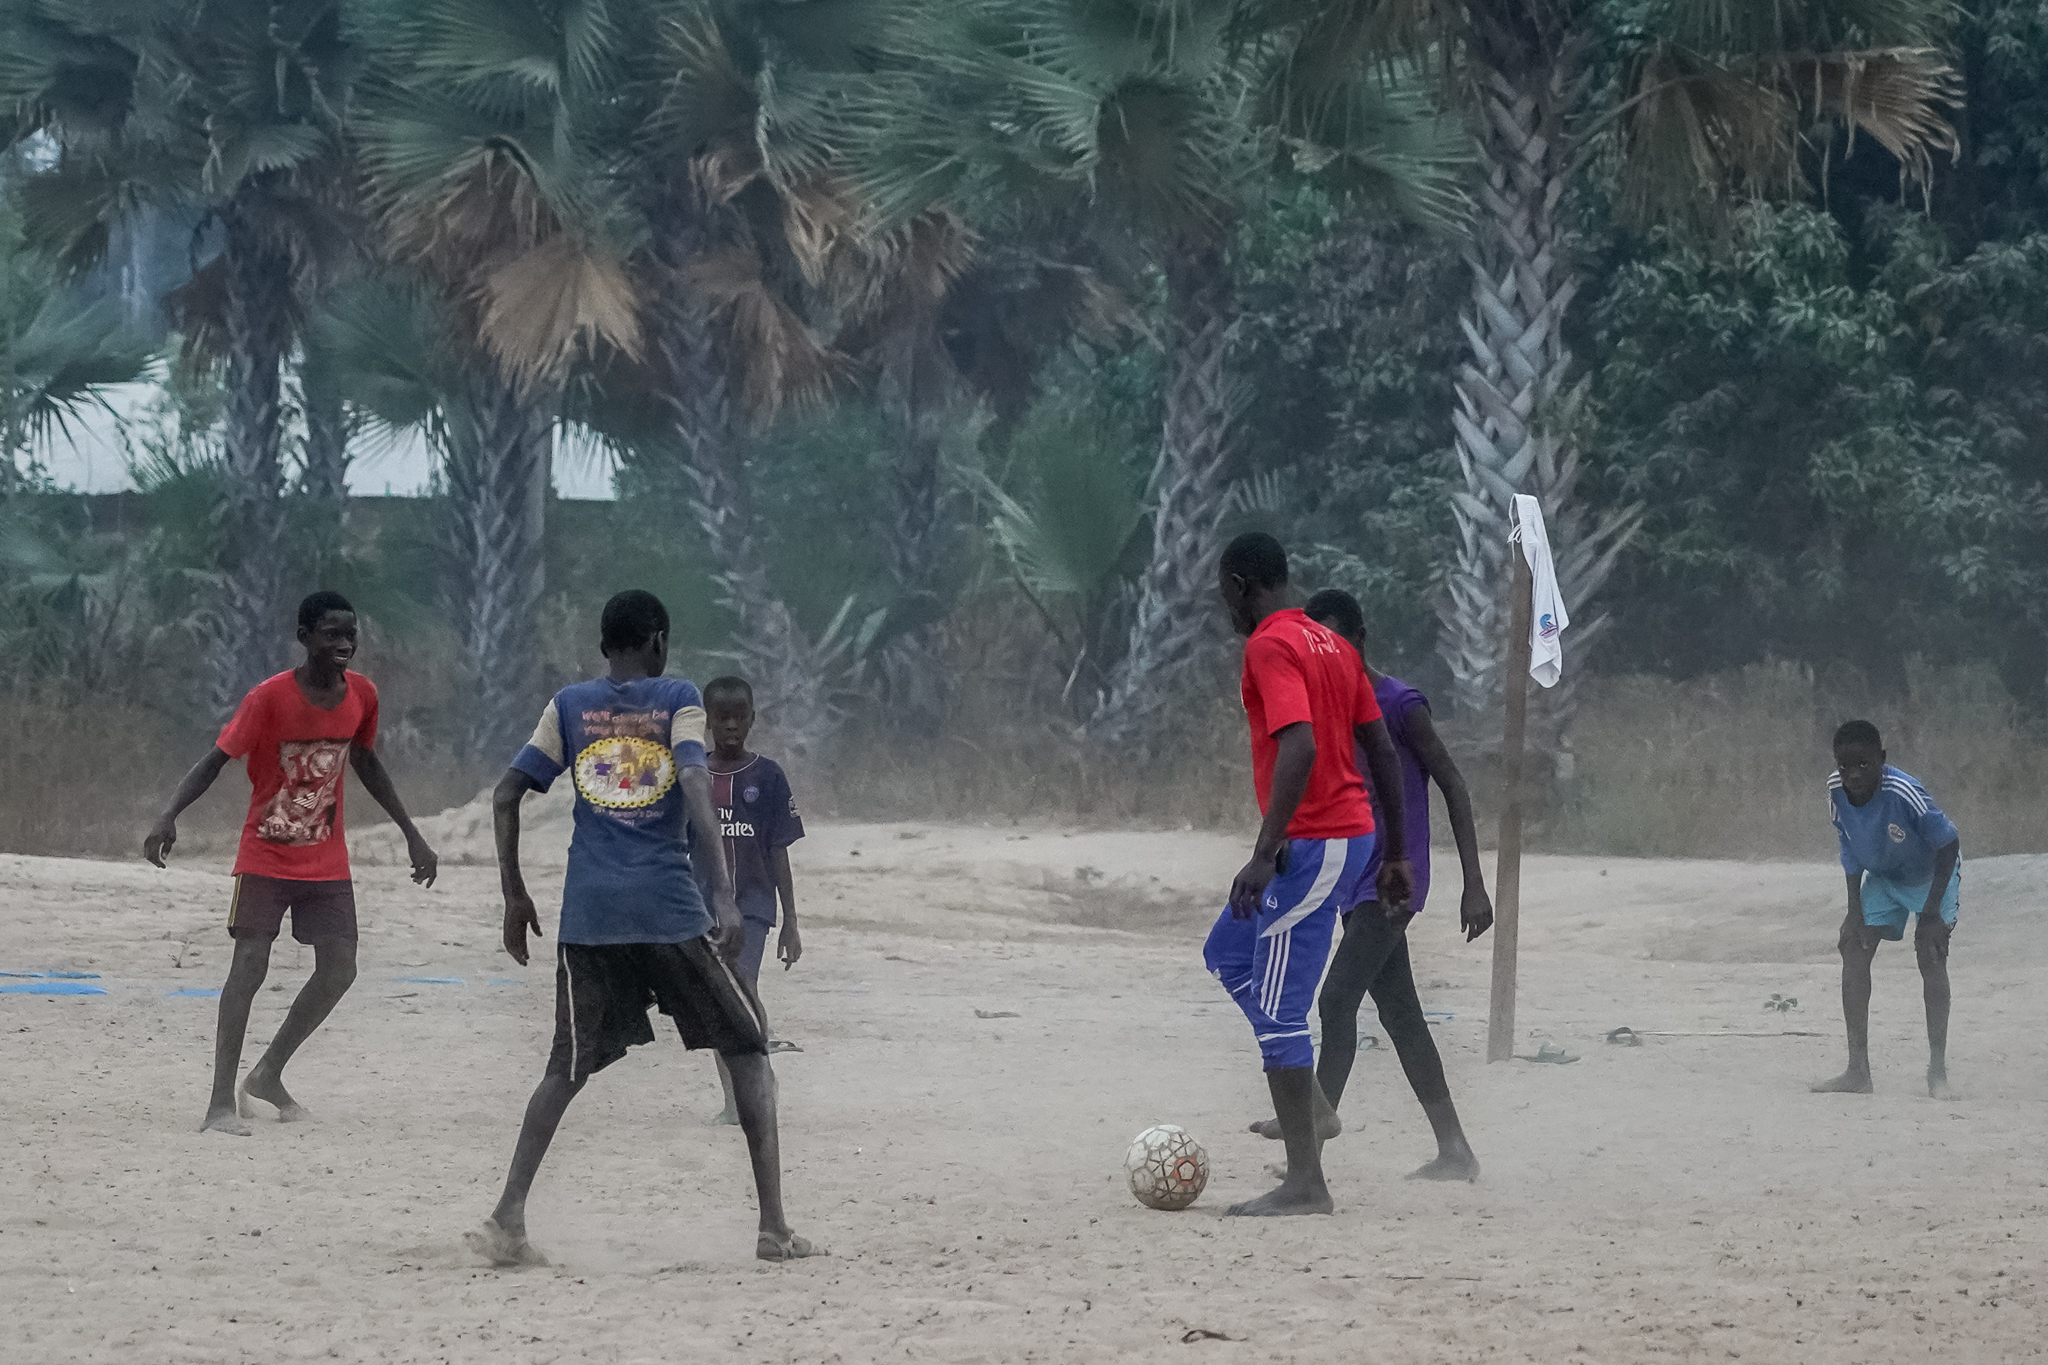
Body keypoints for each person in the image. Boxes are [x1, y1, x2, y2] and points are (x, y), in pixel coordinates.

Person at [468, 590, 822, 1266]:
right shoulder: (678, 696)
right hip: (667, 911)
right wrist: (723, 891)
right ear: (657, 641)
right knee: (748, 1045)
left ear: (606, 645)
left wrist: (514, 894)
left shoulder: (568, 705)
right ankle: (773, 1227)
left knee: (564, 1069)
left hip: (589, 915)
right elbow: (693, 780)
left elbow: (506, 792)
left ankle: (507, 1217)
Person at [142, 590, 439, 1135]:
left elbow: (365, 761)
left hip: (326, 860)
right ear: (304, 638)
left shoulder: (363, 696)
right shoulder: (268, 698)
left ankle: (268, 1074)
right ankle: (219, 1103)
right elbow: (216, 760)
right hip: (265, 854)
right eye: (331, 633)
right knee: (249, 967)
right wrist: (169, 815)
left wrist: (411, 833)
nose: (345, 643)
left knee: (340, 968)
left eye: (351, 633)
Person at [1202, 533, 1413, 1217]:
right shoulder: (1335, 645)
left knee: (1280, 1013)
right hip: (1344, 837)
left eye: (1223, 591)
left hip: (1316, 841)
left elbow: (1300, 743)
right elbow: (1378, 745)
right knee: (1229, 953)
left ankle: (1306, 1181)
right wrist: (1396, 851)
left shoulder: (1270, 644)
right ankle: (1316, 1110)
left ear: (1239, 585)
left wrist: (1266, 851)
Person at [1248, 588, 1491, 1180]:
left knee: (1335, 1000)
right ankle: (1455, 1151)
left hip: (1395, 880)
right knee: (1402, 1016)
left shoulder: (1401, 703)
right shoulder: (1329, 705)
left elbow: (1453, 785)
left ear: (1360, 638)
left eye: (1335, 641)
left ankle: (1309, 1144)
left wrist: (1474, 884)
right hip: (1352, 873)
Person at [1812, 720, 1962, 1100]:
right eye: (1844, 766)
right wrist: (1853, 910)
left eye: (1864, 765)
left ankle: (1937, 1071)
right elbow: (1847, 845)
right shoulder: (1835, 790)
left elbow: (1948, 844)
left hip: (1931, 876)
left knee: (1930, 956)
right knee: (1853, 947)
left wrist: (1931, 914)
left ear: (1882, 758)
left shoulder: (1903, 791)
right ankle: (1857, 1071)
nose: (1853, 775)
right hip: (1883, 876)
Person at [696, 674, 806, 1125]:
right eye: (721, 719)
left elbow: (778, 850)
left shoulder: (769, 776)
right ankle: (732, 1099)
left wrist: (792, 921)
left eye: (739, 718)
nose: (730, 727)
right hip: (703, 908)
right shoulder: (693, 775)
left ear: (752, 720)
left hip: (756, 905)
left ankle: (761, 1084)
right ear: (706, 722)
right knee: (715, 1004)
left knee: (741, 988)